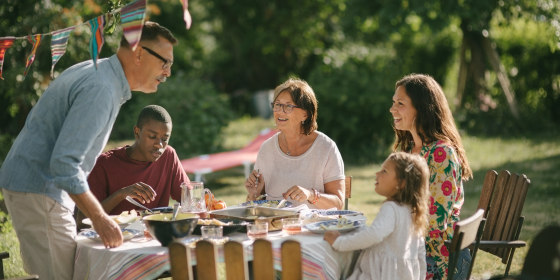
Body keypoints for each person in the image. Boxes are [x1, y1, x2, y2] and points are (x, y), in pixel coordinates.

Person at [0, 21, 177, 279]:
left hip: (37, 189)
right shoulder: (101, 89)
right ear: (139, 53)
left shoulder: (100, 72)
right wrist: (100, 219)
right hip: (40, 189)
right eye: (165, 63)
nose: (168, 72)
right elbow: (64, 164)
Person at [390, 73, 473, 280]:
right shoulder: (411, 149)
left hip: (439, 257)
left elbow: (435, 221)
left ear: (422, 108)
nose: (392, 109)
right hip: (416, 248)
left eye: (400, 103)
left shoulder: (441, 154)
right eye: (393, 102)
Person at [324, 152, 429, 280]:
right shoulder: (413, 212)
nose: (377, 174)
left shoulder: (391, 208)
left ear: (402, 183)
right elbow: (420, 254)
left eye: (384, 171)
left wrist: (339, 242)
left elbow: (373, 235)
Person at [244, 78, 345, 209]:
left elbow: (338, 203)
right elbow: (256, 204)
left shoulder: (326, 148)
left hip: (315, 227)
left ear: (306, 114)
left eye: (288, 106)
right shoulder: (266, 149)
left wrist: (310, 195)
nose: (280, 111)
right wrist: (253, 195)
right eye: (277, 105)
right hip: (276, 227)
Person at [87, 105, 187, 216]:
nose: (159, 145)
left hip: (153, 232)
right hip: (116, 232)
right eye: (152, 136)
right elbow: (83, 220)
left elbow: (190, 201)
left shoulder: (168, 156)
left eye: (164, 139)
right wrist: (122, 194)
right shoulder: (104, 163)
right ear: (137, 132)